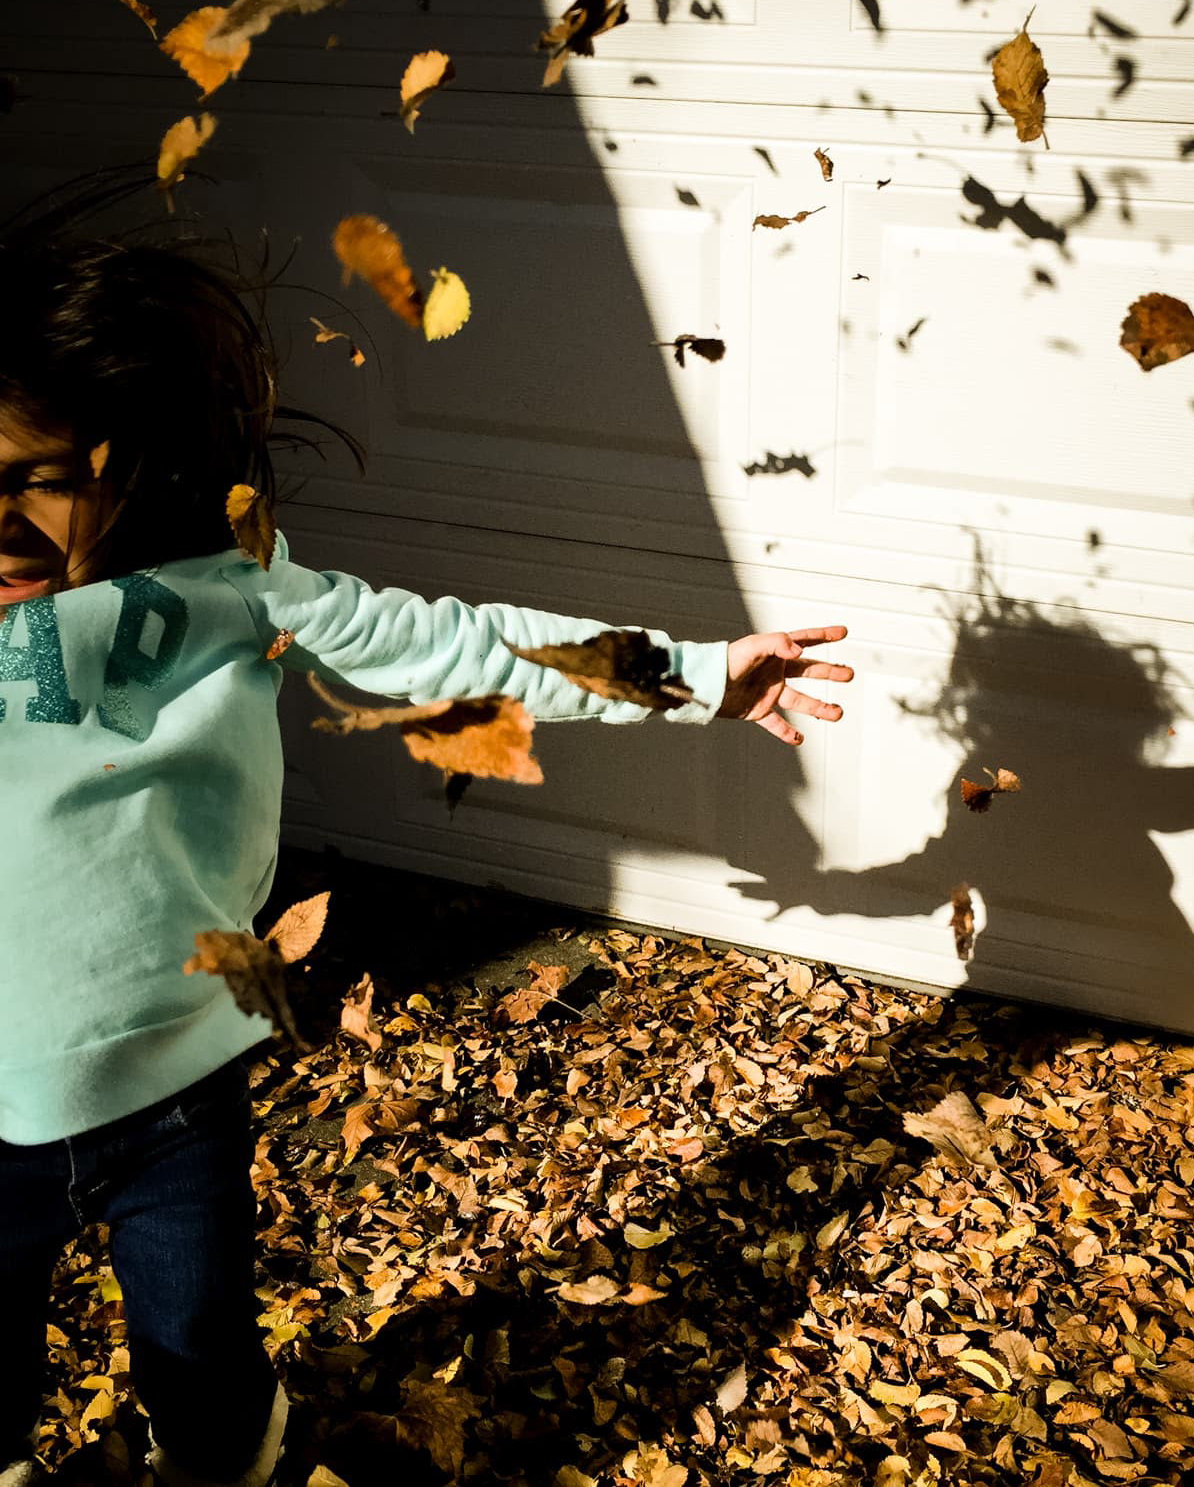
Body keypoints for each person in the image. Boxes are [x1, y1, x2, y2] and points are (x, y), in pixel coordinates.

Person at [0, 174, 852, 1487]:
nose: (0, 520)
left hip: (174, 1094)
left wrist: (689, 674)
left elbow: (452, 647)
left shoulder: (227, 594)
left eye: (38, 482)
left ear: (127, 459)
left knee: (201, 1358)